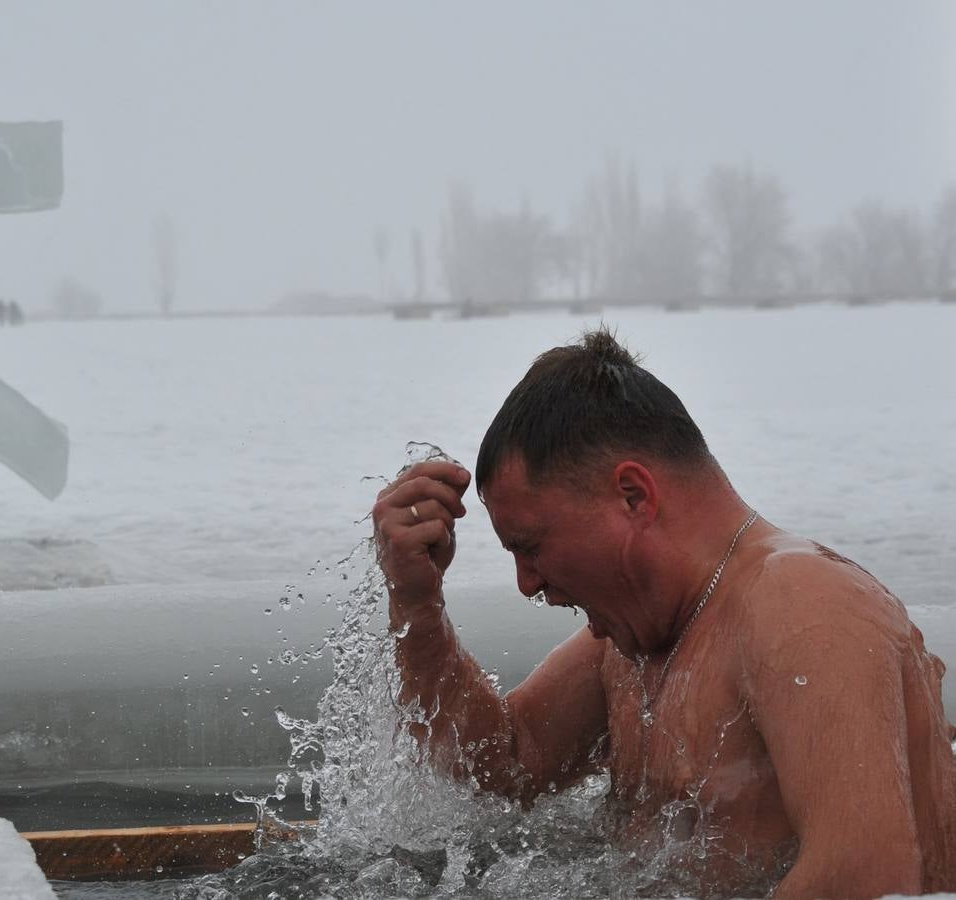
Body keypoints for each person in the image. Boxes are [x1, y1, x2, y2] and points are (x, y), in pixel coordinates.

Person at [372, 328, 956, 899]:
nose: (528, 584)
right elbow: (499, 772)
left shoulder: (805, 606)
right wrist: (418, 604)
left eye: (529, 545)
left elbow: (866, 879)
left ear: (633, 496)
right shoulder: (632, 642)